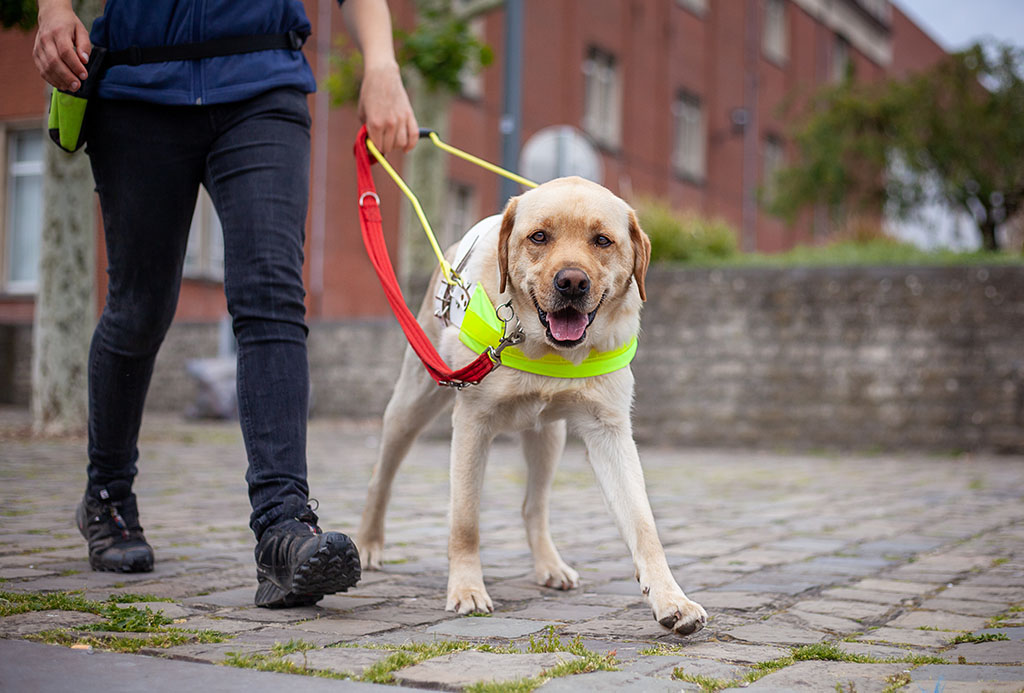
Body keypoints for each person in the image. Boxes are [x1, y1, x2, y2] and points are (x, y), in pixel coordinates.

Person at [32, 0, 417, 607]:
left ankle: (283, 527)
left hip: (262, 82)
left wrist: (382, 62)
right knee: (139, 307)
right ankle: (107, 495)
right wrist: (53, 9)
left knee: (272, 295)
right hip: (137, 86)